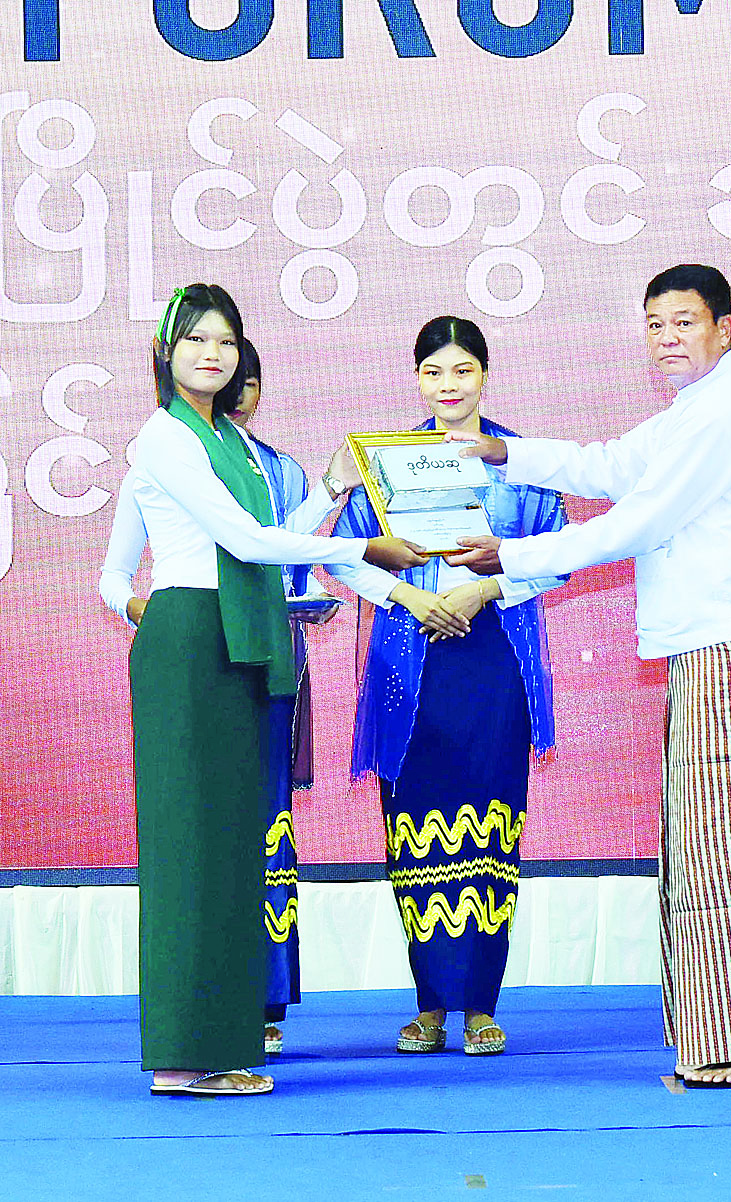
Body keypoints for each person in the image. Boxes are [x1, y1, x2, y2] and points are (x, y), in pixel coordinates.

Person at [444, 266, 731, 1087]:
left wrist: (511, 557)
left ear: (724, 329)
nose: (668, 338)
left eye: (685, 322)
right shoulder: (697, 408)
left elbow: (639, 519)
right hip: (719, 649)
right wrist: (504, 451)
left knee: (730, 849)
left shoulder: (728, 409)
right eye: (656, 324)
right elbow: (609, 466)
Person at [99, 283, 425, 1096]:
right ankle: (183, 1057)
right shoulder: (164, 438)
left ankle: (220, 1043)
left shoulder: (232, 444)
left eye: (225, 341)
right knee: (189, 849)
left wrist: (334, 490)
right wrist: (361, 552)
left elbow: (270, 538)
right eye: (195, 339)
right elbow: (243, 543)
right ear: (165, 352)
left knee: (228, 849)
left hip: (237, 644)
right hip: (193, 642)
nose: (212, 353)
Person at [325, 316, 567, 1055]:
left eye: (463, 370)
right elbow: (341, 555)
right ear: (417, 379)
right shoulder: (384, 463)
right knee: (414, 827)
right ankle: (430, 1004)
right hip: (411, 661)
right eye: (434, 372)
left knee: (493, 821)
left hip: (494, 657)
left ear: (485, 374)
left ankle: (480, 1007)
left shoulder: (518, 463)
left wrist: (485, 590)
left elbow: (560, 554)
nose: (449, 385)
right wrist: (407, 595)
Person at [226, 340, 322, 1056]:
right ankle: (213, 995)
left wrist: (309, 597)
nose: (238, 390)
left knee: (268, 819)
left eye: (249, 379)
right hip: (208, 654)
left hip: (274, 660)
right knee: (215, 822)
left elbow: (294, 566)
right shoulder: (179, 455)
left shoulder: (284, 469)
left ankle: (265, 1000)